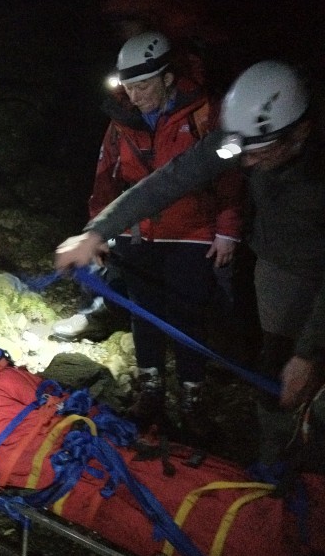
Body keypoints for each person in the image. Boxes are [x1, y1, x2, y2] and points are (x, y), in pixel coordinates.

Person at [55, 60, 325, 461]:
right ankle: (278, 468)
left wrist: (310, 352)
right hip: (282, 265)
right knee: (277, 371)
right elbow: (174, 177)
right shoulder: (242, 140)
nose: (245, 163)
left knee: (307, 370)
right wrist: (97, 230)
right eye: (241, 151)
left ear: (300, 131)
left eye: (259, 153)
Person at [59, 32, 244, 432]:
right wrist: (99, 232)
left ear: (166, 78)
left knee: (187, 315)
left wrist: (227, 229)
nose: (135, 96)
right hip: (137, 232)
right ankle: (151, 389)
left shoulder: (203, 113)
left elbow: (227, 175)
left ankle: (193, 396)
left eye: (142, 86)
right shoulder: (122, 122)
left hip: (190, 230)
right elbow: (105, 178)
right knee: (144, 313)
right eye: (129, 87)